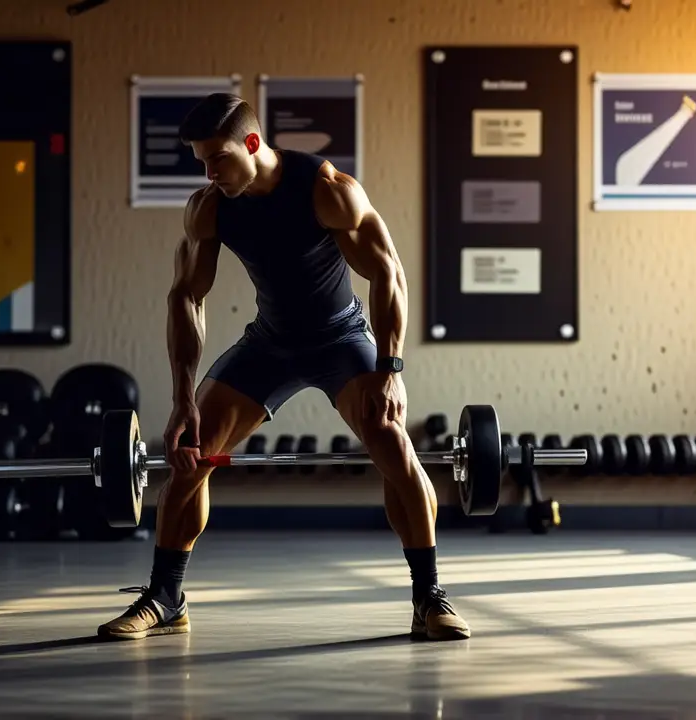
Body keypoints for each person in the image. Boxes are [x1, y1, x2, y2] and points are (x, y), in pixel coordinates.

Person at [97, 93, 471, 642]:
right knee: (191, 453)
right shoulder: (210, 207)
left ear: (253, 143)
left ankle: (428, 597)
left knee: (390, 439)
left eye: (217, 158)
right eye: (201, 162)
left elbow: (388, 272)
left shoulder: (327, 190)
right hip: (271, 343)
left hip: (341, 338)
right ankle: (166, 597)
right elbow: (186, 298)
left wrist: (390, 369)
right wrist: (182, 399)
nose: (209, 172)